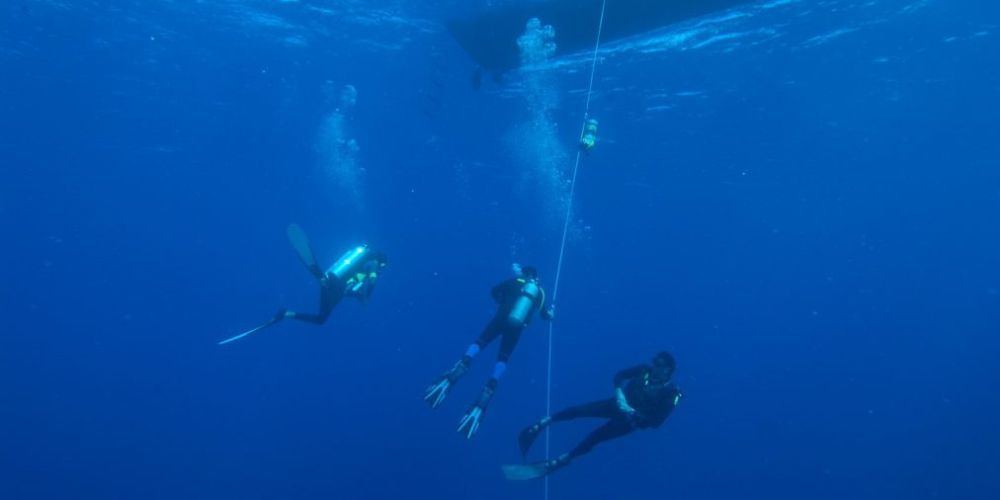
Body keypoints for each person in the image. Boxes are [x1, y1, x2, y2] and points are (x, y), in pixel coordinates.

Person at [503, 352, 682, 480]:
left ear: (667, 370)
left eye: (658, 365)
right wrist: (619, 393)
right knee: (578, 410)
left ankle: (561, 460)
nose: (654, 366)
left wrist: (632, 412)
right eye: (654, 362)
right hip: (615, 404)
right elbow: (619, 375)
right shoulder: (644, 370)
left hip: (629, 422)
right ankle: (542, 424)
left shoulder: (671, 393)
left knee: (594, 437)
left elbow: (656, 422)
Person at [424, 263, 555, 438]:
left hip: (500, 318)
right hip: (516, 328)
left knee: (481, 342)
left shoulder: (515, 280)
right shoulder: (539, 293)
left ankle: (461, 366)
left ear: (523, 272)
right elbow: (546, 316)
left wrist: (502, 302)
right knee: (503, 358)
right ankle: (489, 389)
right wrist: (551, 312)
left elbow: (494, 291)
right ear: (536, 277)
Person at [218, 223, 387, 345]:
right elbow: (372, 279)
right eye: (383, 267)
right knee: (325, 309)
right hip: (336, 284)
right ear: (380, 262)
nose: (381, 270)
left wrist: (356, 295)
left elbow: (349, 287)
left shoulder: (362, 265)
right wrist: (366, 297)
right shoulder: (373, 262)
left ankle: (287, 313)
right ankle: (322, 278)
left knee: (321, 319)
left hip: (334, 284)